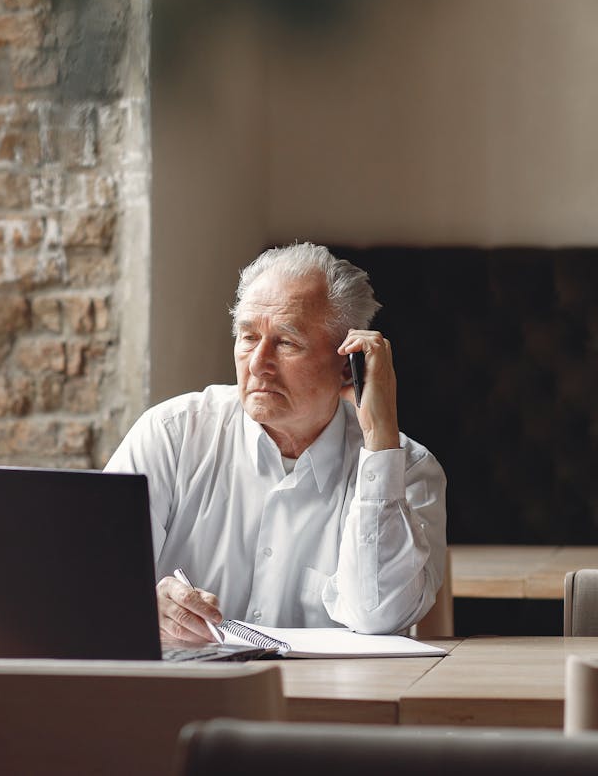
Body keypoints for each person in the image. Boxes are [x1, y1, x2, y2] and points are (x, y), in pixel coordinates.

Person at [105, 242, 447, 642]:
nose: (257, 363)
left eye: (286, 343)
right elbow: (87, 576)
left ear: (347, 366)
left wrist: (380, 442)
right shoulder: (172, 434)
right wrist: (146, 602)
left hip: (331, 701)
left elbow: (381, 616)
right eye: (248, 337)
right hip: (183, 694)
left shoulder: (407, 468)